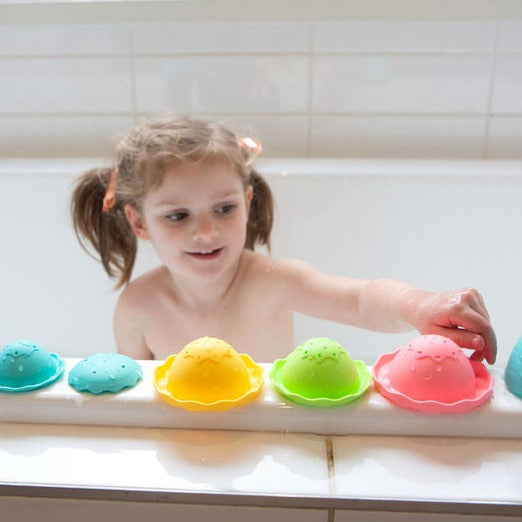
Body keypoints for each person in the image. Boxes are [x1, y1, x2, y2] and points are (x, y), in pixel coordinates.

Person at [70, 116, 496, 363]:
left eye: (224, 208)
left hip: (271, 441)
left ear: (247, 201)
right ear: (139, 223)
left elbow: (359, 299)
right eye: (177, 216)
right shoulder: (138, 308)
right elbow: (134, 398)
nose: (206, 232)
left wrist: (421, 306)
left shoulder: (271, 283)